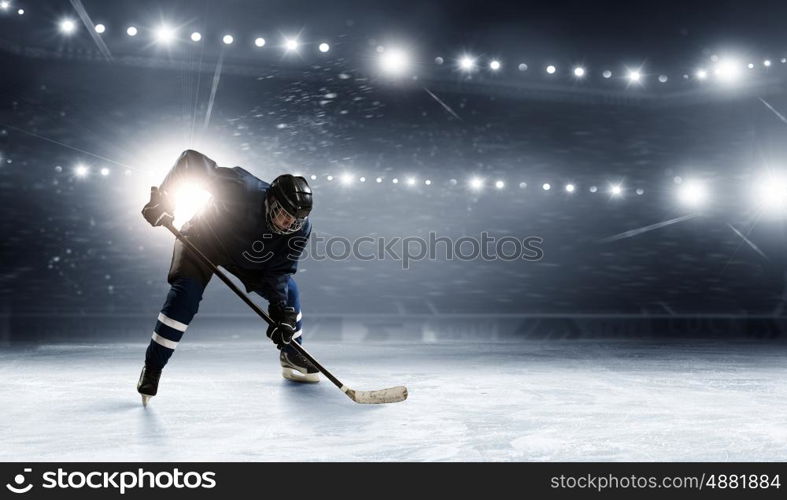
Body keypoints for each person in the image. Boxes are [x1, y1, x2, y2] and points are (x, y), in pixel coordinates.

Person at [136, 149, 316, 405]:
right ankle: (153, 368)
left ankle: (292, 353)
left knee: (290, 295)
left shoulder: (299, 230)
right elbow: (190, 160)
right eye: (284, 215)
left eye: (295, 220)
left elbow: (281, 270)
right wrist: (164, 199)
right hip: (203, 239)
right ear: (270, 200)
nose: (288, 225)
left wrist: (279, 312)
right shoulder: (241, 186)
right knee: (184, 299)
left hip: (248, 257)